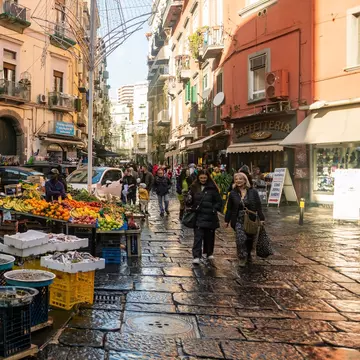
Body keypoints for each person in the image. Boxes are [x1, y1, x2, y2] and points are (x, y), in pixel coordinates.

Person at [225, 172, 265, 265]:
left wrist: (262, 218)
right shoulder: (233, 193)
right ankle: (242, 257)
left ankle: (249, 253)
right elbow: (229, 208)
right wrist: (227, 220)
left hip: (251, 218)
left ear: (245, 180)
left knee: (249, 239)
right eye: (236, 179)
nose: (238, 181)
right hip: (238, 219)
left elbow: (258, 206)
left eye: (240, 179)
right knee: (240, 238)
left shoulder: (253, 192)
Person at [186, 169, 222, 264]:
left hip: (210, 216)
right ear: (198, 178)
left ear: (208, 177)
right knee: (198, 237)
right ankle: (196, 255)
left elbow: (219, 202)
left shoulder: (213, 188)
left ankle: (209, 252)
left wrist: (214, 209)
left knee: (209, 236)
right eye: (201, 177)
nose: (203, 179)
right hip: (198, 215)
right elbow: (189, 200)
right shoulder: (194, 187)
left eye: (205, 177)